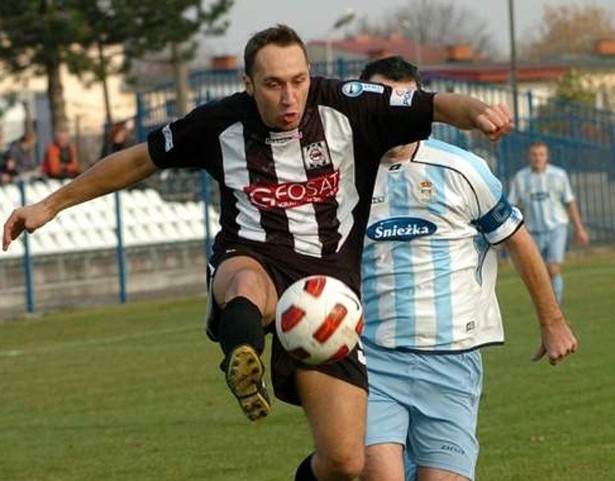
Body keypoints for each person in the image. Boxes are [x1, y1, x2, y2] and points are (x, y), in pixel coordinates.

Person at [2, 25, 513, 481]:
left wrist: (481, 114)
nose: (289, 95)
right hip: (251, 255)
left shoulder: (351, 105)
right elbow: (139, 160)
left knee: (344, 463)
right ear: (249, 84)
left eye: (298, 80)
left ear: (310, 75)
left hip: (327, 291)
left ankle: (260, 369)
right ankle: (240, 356)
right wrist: (52, 204)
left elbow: (438, 103)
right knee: (247, 285)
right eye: (273, 84)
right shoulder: (219, 124)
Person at [358, 56, 578, 481]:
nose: (394, 115)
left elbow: (517, 239)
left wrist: (552, 322)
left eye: (406, 103)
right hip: (375, 356)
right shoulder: (345, 175)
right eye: (383, 103)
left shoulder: (462, 169)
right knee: (378, 473)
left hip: (452, 358)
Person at [507, 141, 589, 304]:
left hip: (556, 228)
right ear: (529, 157)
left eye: (541, 154)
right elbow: (511, 205)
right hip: (533, 230)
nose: (538, 158)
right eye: (534, 155)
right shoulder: (520, 178)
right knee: (539, 271)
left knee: (553, 268)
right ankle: (547, 304)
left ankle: (556, 307)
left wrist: (579, 229)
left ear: (547, 156)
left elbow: (569, 202)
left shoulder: (559, 175)